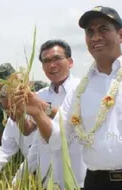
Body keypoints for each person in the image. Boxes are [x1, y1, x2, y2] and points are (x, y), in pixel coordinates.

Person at [13, 6, 122, 190]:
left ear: (121, 35)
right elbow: (59, 140)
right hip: (96, 182)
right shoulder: (81, 90)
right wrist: (37, 114)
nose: (96, 37)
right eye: (90, 32)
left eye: (103, 29)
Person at [13, 40, 86, 189]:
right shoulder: (41, 94)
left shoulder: (83, 89)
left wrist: (41, 107)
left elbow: (73, 121)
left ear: (70, 62)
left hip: (77, 178)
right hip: (49, 179)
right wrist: (18, 113)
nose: (52, 65)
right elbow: (27, 129)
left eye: (57, 59)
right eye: (46, 61)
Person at [0, 81, 48, 175]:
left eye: (13, 107)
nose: (10, 113)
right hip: (32, 174)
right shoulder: (11, 122)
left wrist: (18, 180)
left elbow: (36, 155)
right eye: (6, 109)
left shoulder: (40, 116)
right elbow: (5, 150)